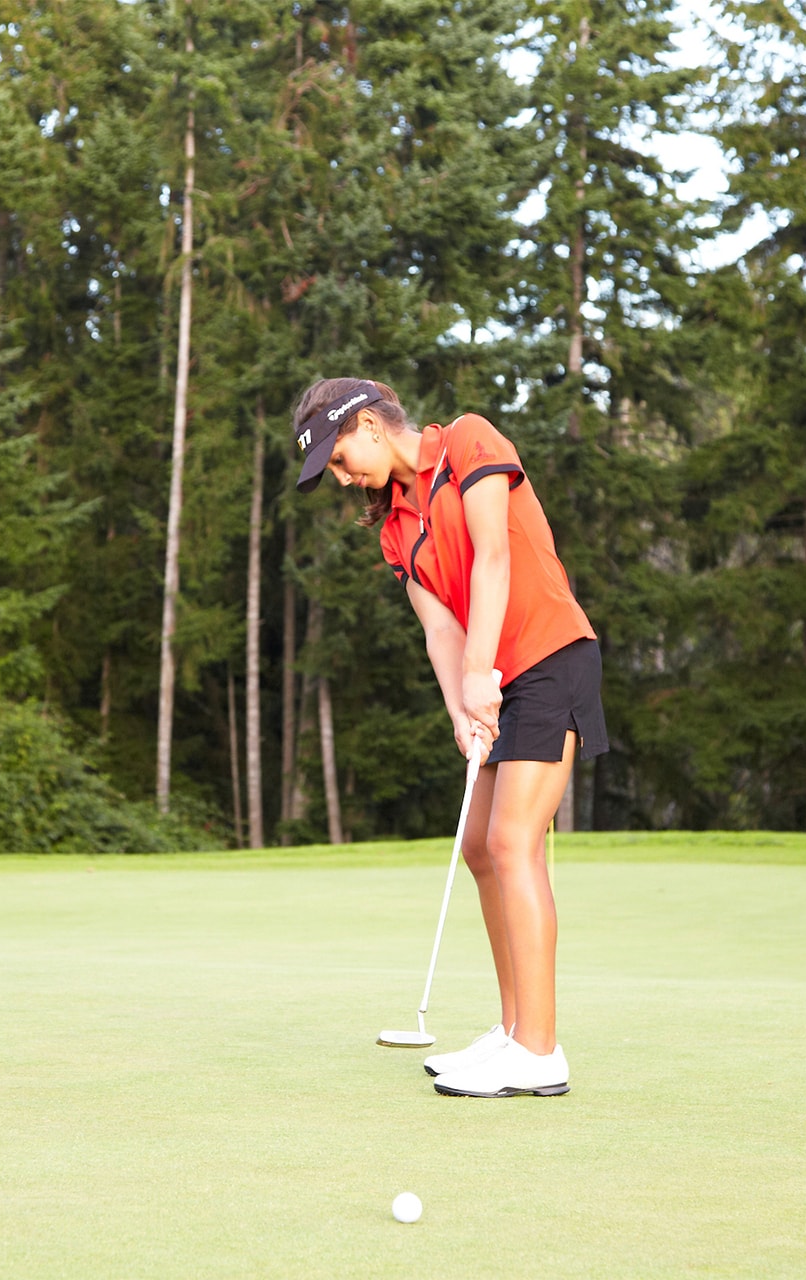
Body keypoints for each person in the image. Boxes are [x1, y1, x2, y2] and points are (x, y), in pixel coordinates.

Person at [291, 377, 608, 1098]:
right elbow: (440, 627)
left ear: (370, 426)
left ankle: (540, 1050)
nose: (342, 478)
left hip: (550, 655)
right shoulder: (395, 528)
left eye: (339, 459)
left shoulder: (469, 440)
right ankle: (514, 1028)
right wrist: (461, 710)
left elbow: (494, 557)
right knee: (479, 847)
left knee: (512, 843)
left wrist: (478, 675)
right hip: (493, 675)